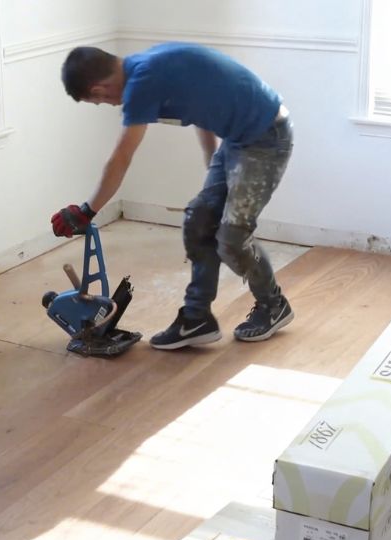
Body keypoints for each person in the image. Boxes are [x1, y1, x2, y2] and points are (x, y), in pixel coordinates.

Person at [50, 43, 294, 350]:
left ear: (99, 90)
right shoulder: (146, 66)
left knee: (232, 237)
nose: (108, 105)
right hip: (238, 139)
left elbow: (122, 156)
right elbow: (201, 105)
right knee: (200, 219)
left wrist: (87, 210)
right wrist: (212, 169)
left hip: (266, 137)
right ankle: (197, 318)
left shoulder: (142, 83)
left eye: (98, 101)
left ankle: (274, 305)